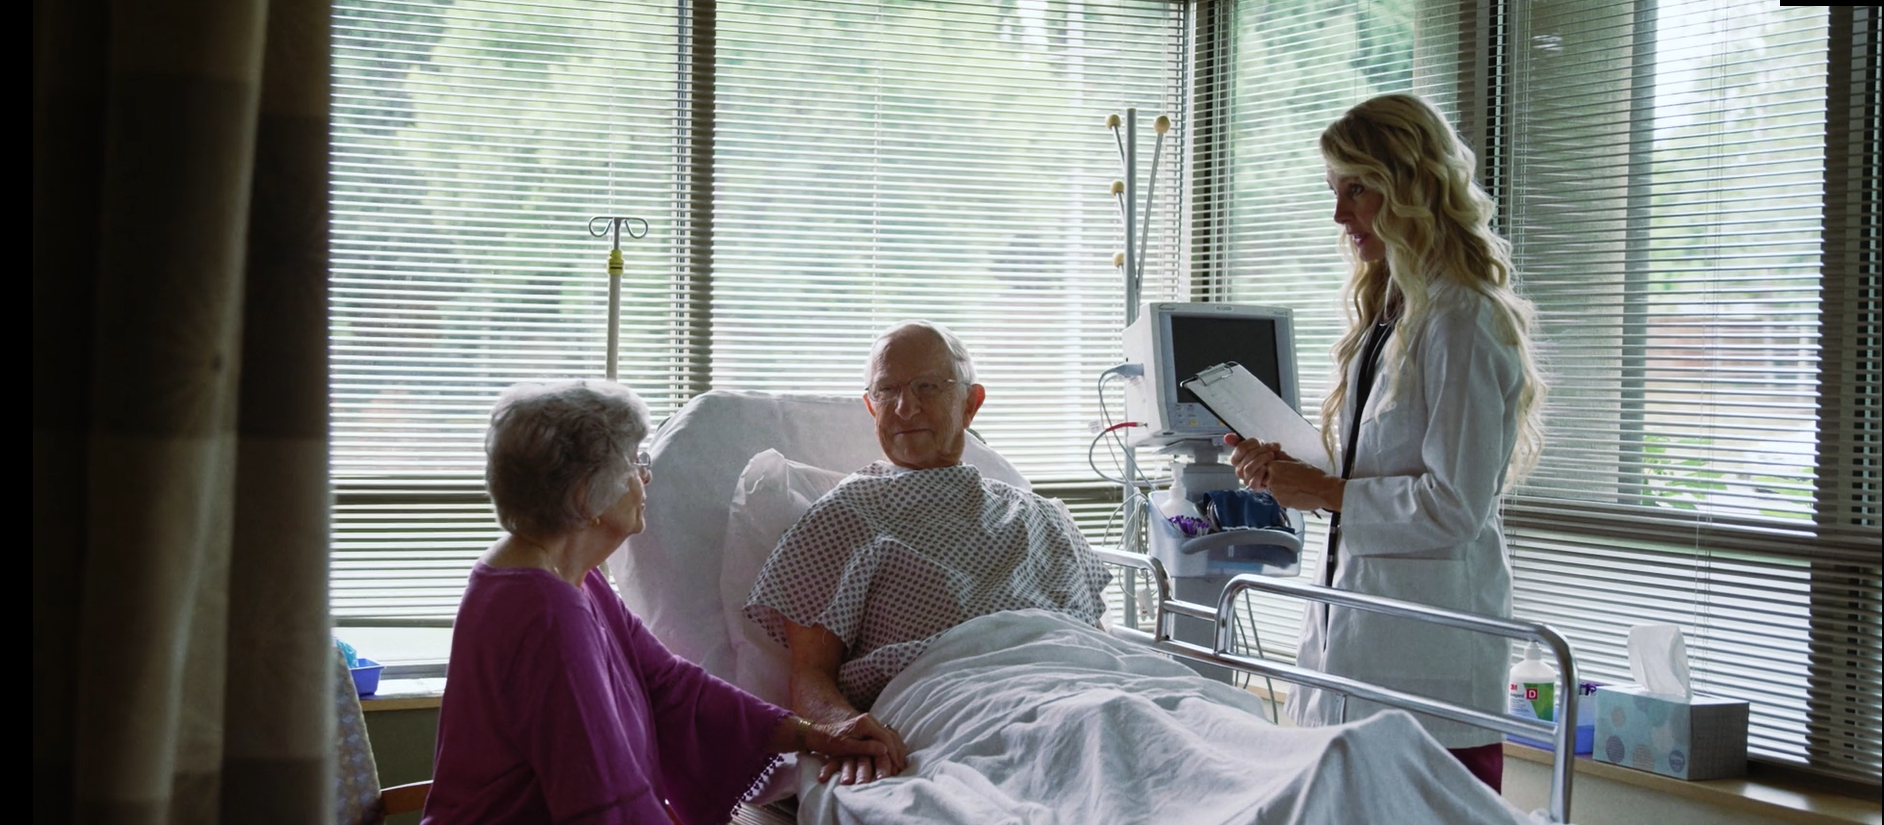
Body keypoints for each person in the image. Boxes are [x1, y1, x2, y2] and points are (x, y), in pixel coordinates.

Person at [1224, 93, 1547, 792]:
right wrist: (1293, 472)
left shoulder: (1463, 320)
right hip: (1355, 645)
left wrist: (1328, 490)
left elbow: (1453, 506)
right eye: (1334, 191)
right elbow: (1374, 470)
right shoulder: (1389, 313)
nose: (1340, 216)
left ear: (1411, 184)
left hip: (1428, 666)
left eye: (1357, 190)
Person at [422, 379, 891, 825]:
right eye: (633, 463)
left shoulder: (568, 577)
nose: (646, 477)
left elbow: (670, 685)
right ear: (586, 498)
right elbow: (604, 800)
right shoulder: (544, 612)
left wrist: (814, 734)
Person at [743, 321, 1111, 787]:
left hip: (1093, 686)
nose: (905, 407)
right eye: (887, 391)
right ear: (870, 406)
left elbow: (1101, 645)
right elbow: (811, 674)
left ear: (971, 403)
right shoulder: (844, 516)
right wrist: (838, 725)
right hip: (959, 705)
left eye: (927, 387)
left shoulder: (1042, 515)